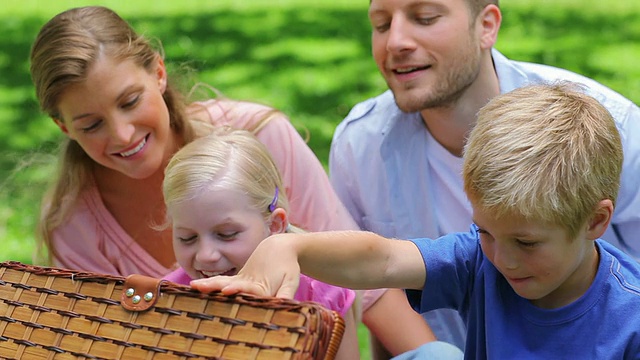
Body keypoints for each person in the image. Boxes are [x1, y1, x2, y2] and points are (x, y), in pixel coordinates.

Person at [28, 6, 435, 357]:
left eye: (130, 101)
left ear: (158, 72)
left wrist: (433, 353)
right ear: (63, 127)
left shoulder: (260, 136)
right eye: (91, 124)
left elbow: (364, 282)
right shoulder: (74, 224)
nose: (122, 134)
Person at [191, 83, 640, 359]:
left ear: (595, 221)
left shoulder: (630, 320)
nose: (503, 260)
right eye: (485, 231)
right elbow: (384, 260)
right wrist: (288, 246)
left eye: (526, 242)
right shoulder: (479, 262)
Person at [329, 0, 640, 351]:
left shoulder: (616, 129)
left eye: (425, 18)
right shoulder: (359, 143)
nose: (395, 41)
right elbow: (377, 287)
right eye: (381, 25)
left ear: (487, 26)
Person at [160, 129, 361, 359]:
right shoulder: (167, 299)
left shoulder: (323, 291)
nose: (206, 255)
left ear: (274, 225)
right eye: (188, 238)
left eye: (226, 234)